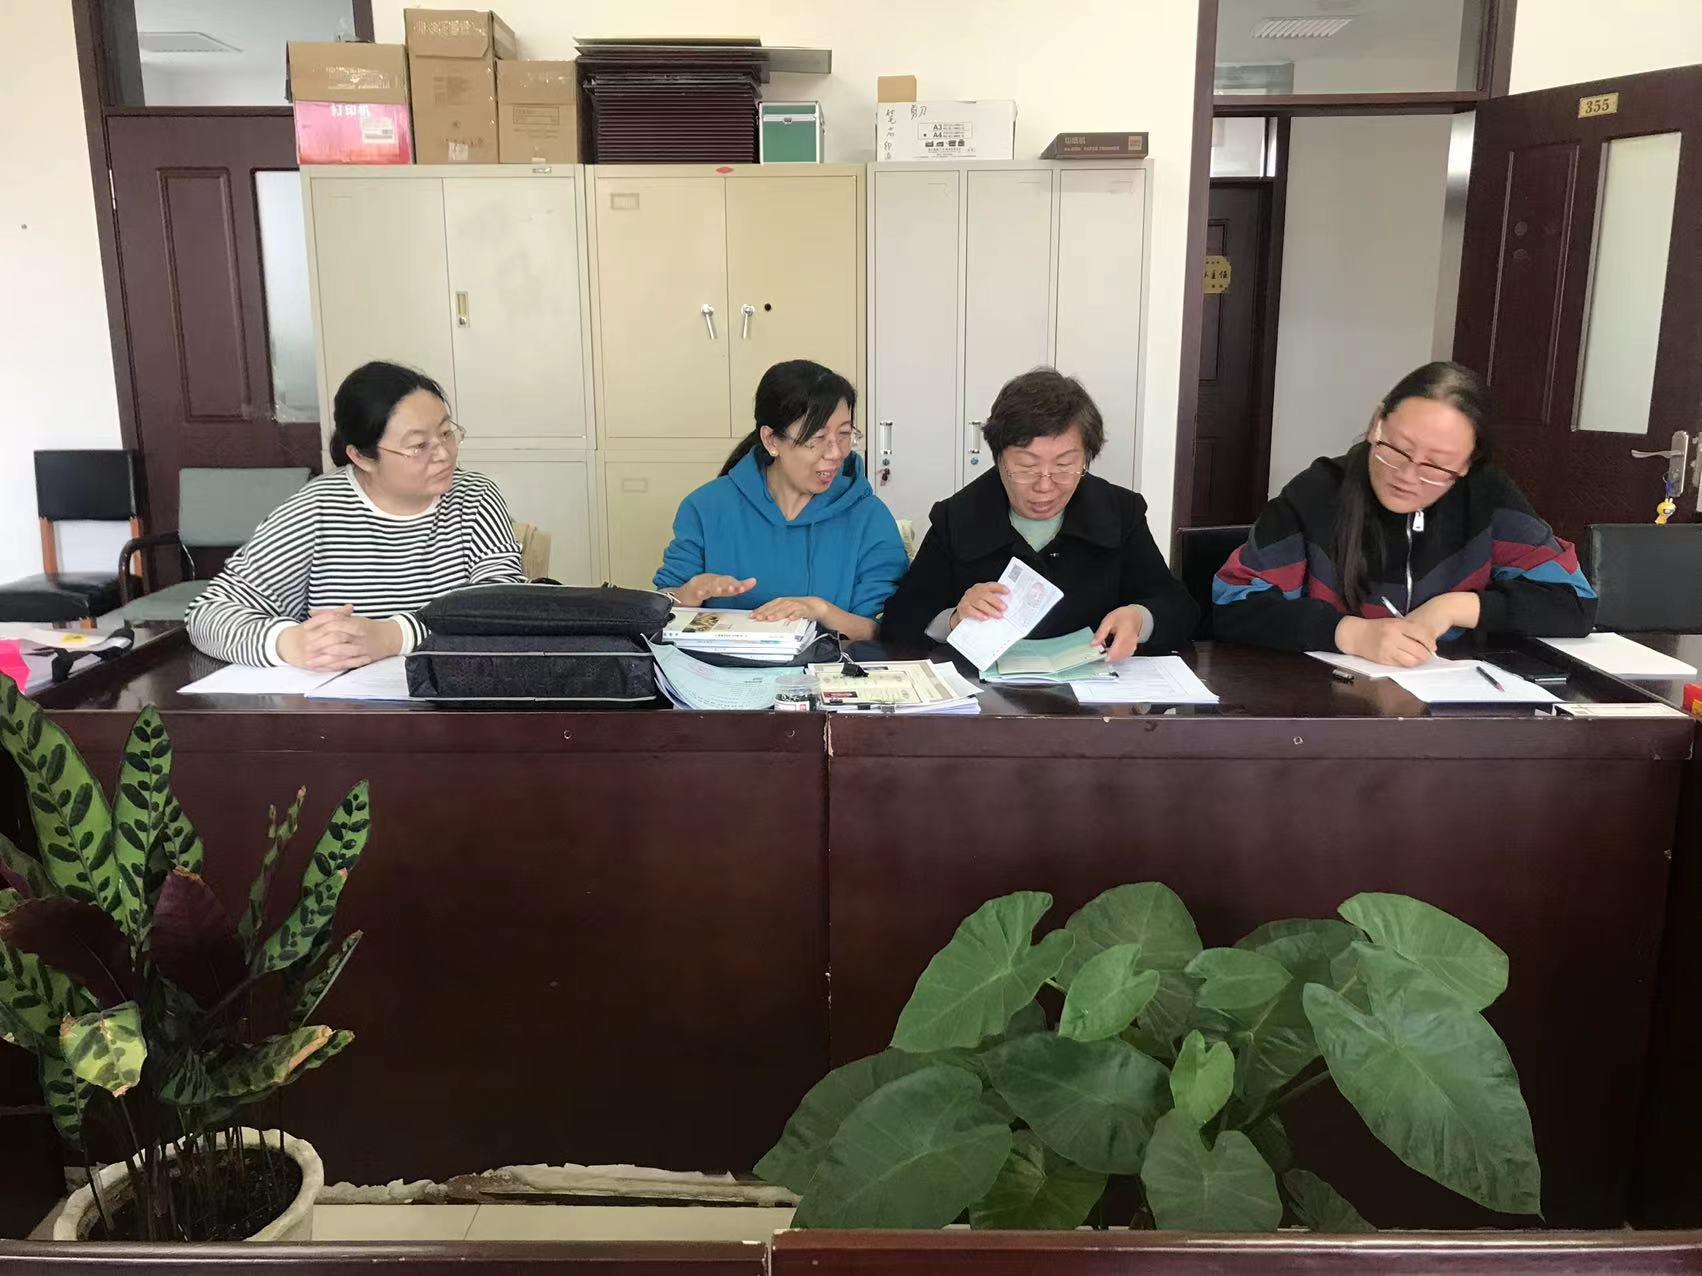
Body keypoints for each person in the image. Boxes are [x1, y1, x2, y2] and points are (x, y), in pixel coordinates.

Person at [1213, 360, 1596, 665]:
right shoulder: (1316, 493)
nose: (1408, 476)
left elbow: (1574, 602)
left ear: (1468, 463)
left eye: (1437, 465)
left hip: (1451, 704)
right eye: (1397, 449)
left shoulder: (1488, 498)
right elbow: (1233, 604)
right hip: (1326, 706)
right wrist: (1350, 634)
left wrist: (1451, 608)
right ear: (1376, 424)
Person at [185, 361, 524, 669]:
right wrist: (291, 643)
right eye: (419, 446)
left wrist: (393, 636)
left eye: (447, 432)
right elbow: (208, 614)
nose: (444, 454)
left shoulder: (474, 497)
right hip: (338, 708)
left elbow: (503, 607)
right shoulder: (316, 508)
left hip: (452, 699)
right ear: (362, 457)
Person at [881, 368, 1198, 657]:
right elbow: (901, 619)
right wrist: (954, 619)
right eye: (1026, 466)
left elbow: (1178, 607)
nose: (1045, 485)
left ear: (1086, 458)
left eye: (1064, 465)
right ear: (999, 459)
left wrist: (1139, 619)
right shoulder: (958, 517)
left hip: (1095, 691)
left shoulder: (1119, 512)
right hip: (988, 695)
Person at [654, 359, 908, 643]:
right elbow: (661, 607)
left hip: (828, 668)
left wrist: (820, 610)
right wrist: (689, 593)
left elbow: (881, 630)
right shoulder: (706, 507)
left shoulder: (869, 517)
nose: (835, 453)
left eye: (845, 435)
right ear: (771, 440)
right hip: (718, 668)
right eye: (816, 438)